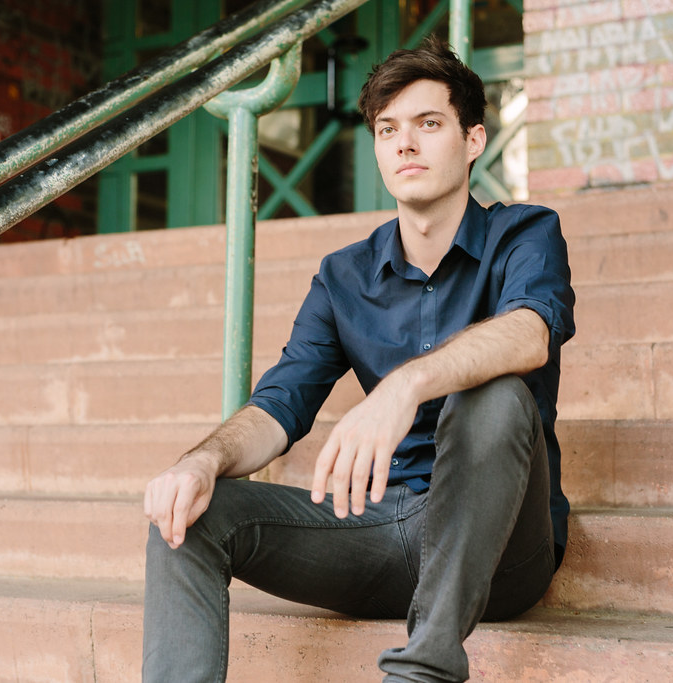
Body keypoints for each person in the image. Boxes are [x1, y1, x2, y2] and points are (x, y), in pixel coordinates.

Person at [142, 36, 575, 682]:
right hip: (380, 530)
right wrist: (201, 460)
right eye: (387, 129)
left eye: (429, 124)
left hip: (500, 544)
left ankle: (423, 669)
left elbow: (529, 335)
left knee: (496, 390)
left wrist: (406, 386)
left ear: (474, 139)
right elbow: (278, 405)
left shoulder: (525, 234)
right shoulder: (344, 276)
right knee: (188, 510)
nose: (405, 144)